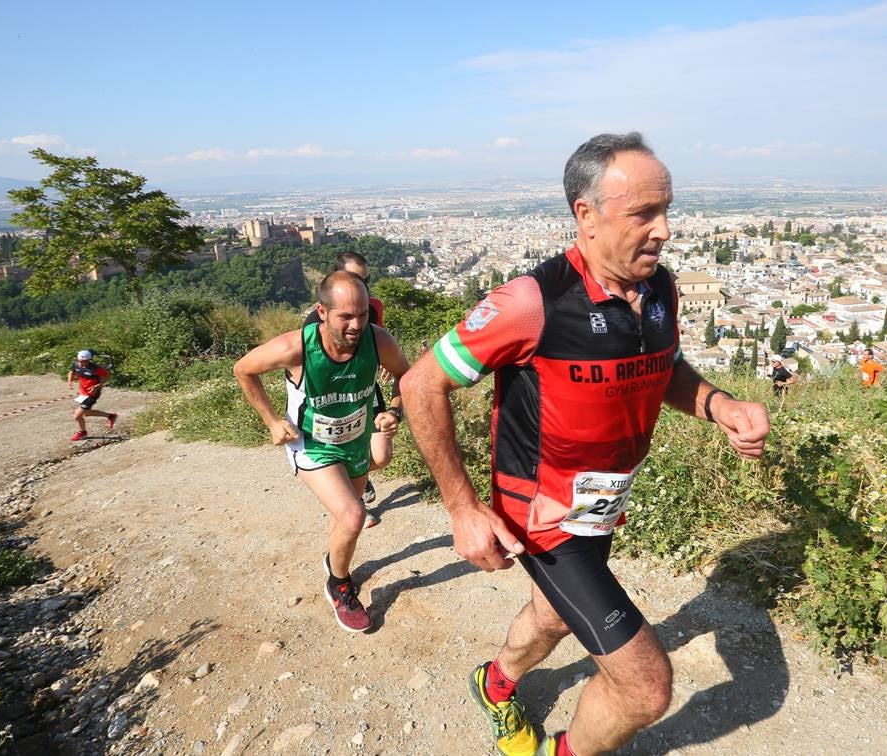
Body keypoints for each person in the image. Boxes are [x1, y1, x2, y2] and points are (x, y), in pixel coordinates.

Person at [400, 133, 771, 756]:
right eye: (643, 214)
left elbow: (663, 367)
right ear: (586, 215)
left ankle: (495, 684)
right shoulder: (532, 302)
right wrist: (463, 509)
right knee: (646, 689)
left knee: (552, 613)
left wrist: (719, 405)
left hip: (602, 502)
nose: (664, 231)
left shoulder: (659, 289)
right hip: (542, 514)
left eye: (666, 210)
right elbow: (420, 384)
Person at [234, 271, 411, 633]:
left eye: (362, 314)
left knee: (346, 514)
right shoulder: (294, 347)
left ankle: (334, 560)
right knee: (352, 514)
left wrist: (393, 411)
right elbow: (243, 370)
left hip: (356, 440)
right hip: (312, 445)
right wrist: (270, 420)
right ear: (323, 312)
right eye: (345, 316)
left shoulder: (378, 341)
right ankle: (339, 585)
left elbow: (405, 378)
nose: (356, 324)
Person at [304, 252, 389, 513]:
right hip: (333, 400)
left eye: (365, 280)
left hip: (365, 391)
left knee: (383, 455)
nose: (361, 286)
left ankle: (355, 472)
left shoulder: (373, 308)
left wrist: (384, 360)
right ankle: (352, 497)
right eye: (354, 279)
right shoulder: (315, 320)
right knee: (350, 513)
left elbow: (377, 342)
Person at [68, 349, 117, 441]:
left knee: (77, 416)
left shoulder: (95, 368)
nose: (82, 364)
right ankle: (111, 416)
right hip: (83, 393)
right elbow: (71, 372)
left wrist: (98, 385)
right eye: (81, 361)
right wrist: (69, 381)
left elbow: (106, 376)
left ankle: (82, 432)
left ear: (89, 360)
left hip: (93, 393)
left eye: (85, 362)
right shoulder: (76, 365)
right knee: (86, 413)